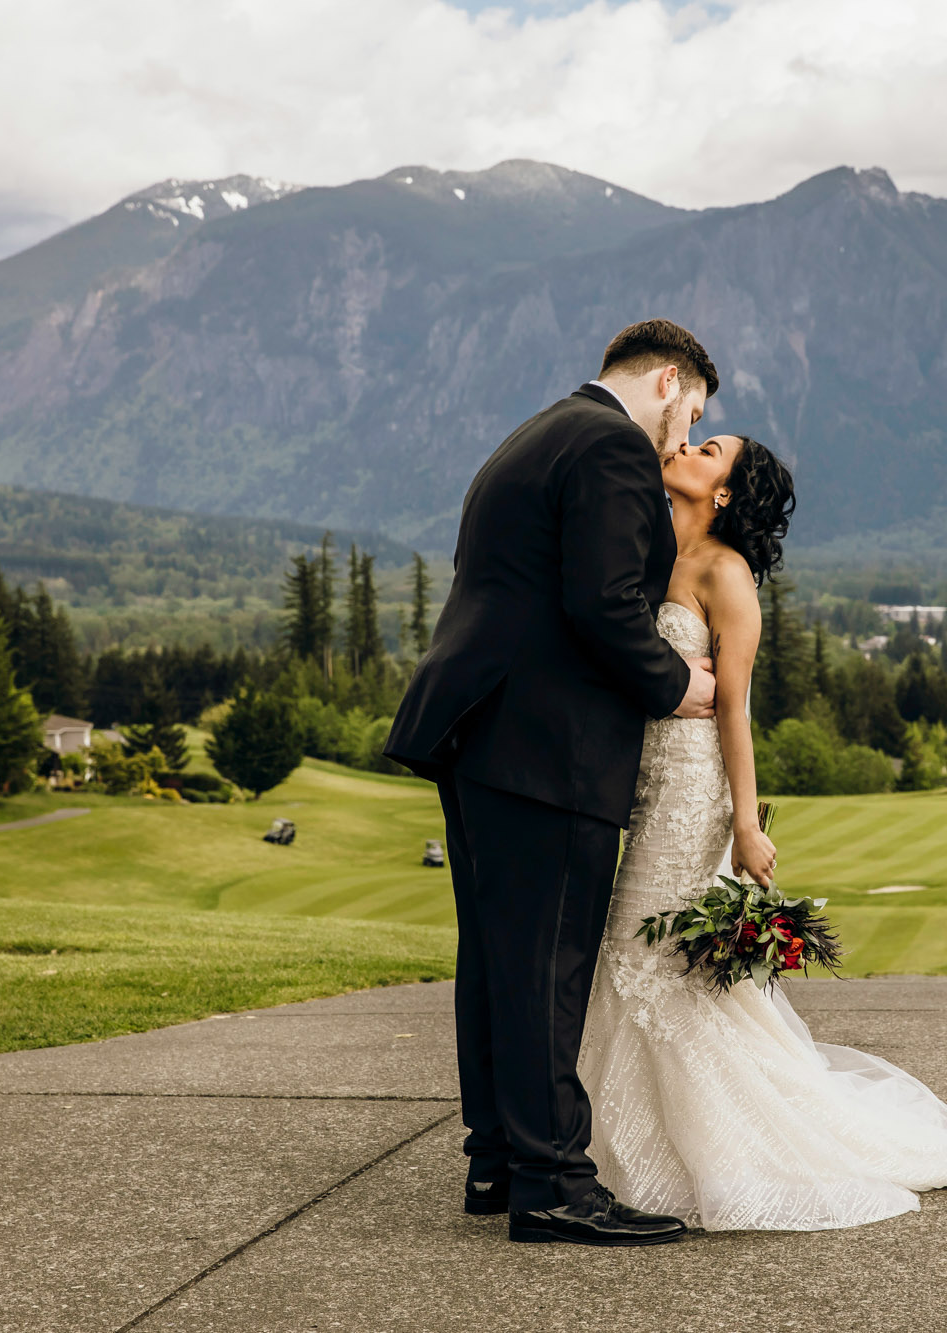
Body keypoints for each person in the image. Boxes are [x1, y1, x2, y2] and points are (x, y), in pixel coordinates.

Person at [576, 432, 947, 1230]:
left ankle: (687, 1156)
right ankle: (625, 1146)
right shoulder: (653, 550)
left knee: (638, 957)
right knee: (638, 957)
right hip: (643, 783)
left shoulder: (726, 572)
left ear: (723, 492)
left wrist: (746, 825)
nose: (685, 443)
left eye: (708, 448)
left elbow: (737, 708)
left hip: (692, 791)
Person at [385, 319, 720, 1247]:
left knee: (498, 957)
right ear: (667, 380)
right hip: (547, 743)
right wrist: (675, 683)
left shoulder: (537, 433)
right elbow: (603, 602)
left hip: (483, 727)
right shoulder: (613, 444)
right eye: (689, 413)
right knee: (547, 962)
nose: (684, 437)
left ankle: (496, 1155)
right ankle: (554, 1182)